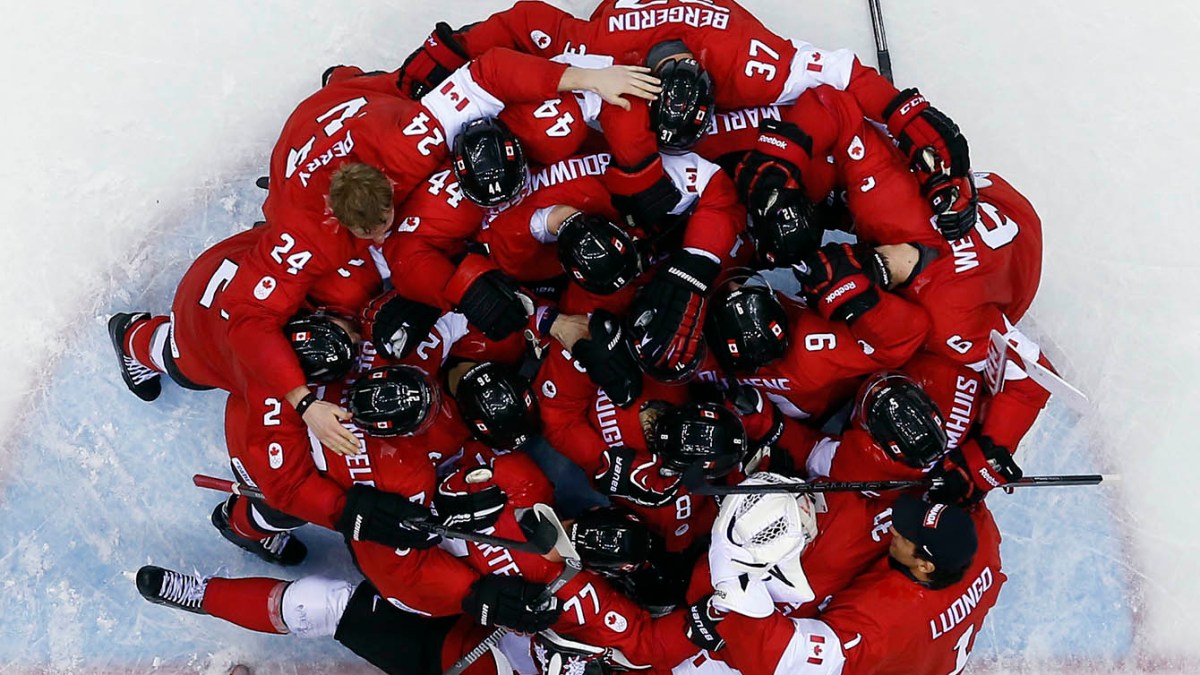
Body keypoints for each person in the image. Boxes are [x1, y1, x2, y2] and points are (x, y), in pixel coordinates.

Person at [111, 50, 661, 456]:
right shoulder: (303, 232)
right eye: (371, 232)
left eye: (387, 221)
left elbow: (488, 72)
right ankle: (143, 340)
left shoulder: (407, 146)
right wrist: (305, 403)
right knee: (332, 298)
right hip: (301, 150)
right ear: (339, 219)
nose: (383, 236)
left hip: (362, 107)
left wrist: (586, 78)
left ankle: (349, 81)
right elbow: (247, 318)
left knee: (410, 94)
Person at [699, 494, 1006, 675]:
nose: (895, 529)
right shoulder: (982, 541)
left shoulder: (882, 623)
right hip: (933, 656)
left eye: (906, 534)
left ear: (925, 565)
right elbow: (969, 505)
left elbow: (782, 657)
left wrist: (731, 565)